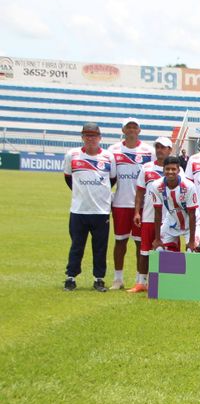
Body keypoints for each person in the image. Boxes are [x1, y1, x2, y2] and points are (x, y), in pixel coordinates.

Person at [62, 122, 117, 292]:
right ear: (82, 137)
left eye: (94, 135)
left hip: (101, 211)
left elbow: (112, 179)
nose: (90, 138)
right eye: (87, 135)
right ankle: (71, 277)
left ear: (100, 138)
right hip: (79, 210)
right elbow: (68, 179)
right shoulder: (72, 155)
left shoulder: (109, 156)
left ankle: (99, 279)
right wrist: (82, 193)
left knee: (100, 247)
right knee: (77, 245)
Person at [108, 117, 154, 290]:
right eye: (129, 127)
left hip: (143, 206)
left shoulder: (149, 151)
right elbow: (110, 178)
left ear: (139, 131)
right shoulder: (113, 150)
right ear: (123, 130)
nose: (132, 130)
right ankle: (117, 279)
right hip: (121, 203)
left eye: (135, 127)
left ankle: (140, 279)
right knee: (120, 241)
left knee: (140, 243)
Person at [130, 137, 175, 293]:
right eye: (158, 147)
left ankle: (168, 281)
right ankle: (141, 282)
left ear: (170, 150)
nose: (160, 150)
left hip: (170, 219)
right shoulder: (147, 168)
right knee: (145, 250)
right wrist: (137, 211)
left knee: (170, 251)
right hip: (149, 216)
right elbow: (140, 192)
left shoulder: (177, 169)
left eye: (164, 147)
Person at [151, 155, 198, 253]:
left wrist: (192, 241)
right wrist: (157, 238)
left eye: (173, 169)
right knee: (159, 250)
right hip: (172, 221)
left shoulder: (189, 186)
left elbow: (192, 214)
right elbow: (158, 212)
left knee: (191, 252)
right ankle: (171, 268)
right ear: (163, 170)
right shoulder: (156, 185)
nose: (170, 172)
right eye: (167, 169)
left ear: (178, 170)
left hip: (191, 223)